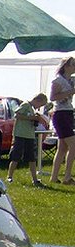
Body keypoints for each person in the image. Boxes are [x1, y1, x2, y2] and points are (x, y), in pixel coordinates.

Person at [7, 93, 50, 187]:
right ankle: (9, 176)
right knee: (16, 156)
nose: (39, 107)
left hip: (29, 135)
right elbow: (17, 115)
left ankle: (35, 179)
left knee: (32, 157)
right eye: (40, 105)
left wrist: (36, 119)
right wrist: (31, 118)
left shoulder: (32, 109)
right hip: (20, 134)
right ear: (37, 100)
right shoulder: (25, 105)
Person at [49, 56, 75, 184]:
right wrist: (71, 91)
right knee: (73, 145)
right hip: (60, 114)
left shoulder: (71, 80)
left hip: (68, 112)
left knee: (62, 148)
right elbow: (53, 97)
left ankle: (54, 177)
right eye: (73, 64)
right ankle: (67, 177)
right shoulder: (58, 80)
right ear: (66, 66)